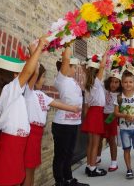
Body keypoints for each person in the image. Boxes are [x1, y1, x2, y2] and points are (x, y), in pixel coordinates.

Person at [0, 37, 48, 186]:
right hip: (11, 144)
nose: (20, 76)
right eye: (17, 73)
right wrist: (39, 48)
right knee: (8, 180)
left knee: (15, 179)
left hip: (18, 143)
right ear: (7, 76)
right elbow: (28, 72)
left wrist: (33, 52)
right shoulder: (9, 91)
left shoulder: (16, 93)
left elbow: (33, 73)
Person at [22, 64, 82, 186]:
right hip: (30, 133)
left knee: (32, 167)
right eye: (42, 76)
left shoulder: (41, 95)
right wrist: (36, 56)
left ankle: (67, 179)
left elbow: (57, 104)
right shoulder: (28, 93)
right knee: (28, 168)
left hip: (37, 134)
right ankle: (59, 181)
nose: (44, 80)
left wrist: (73, 109)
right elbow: (33, 73)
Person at [52, 47, 88, 186]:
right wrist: (68, 40)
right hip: (62, 124)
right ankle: (59, 181)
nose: (75, 70)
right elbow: (66, 59)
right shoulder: (60, 80)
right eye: (73, 67)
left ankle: (68, 179)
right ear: (66, 67)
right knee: (60, 154)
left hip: (73, 123)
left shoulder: (72, 81)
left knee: (69, 154)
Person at [114, 70, 134, 179]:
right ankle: (129, 169)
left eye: (130, 82)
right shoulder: (119, 98)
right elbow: (116, 113)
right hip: (124, 129)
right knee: (126, 149)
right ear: (122, 83)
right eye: (125, 82)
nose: (128, 84)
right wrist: (125, 116)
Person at [82, 52, 109, 177]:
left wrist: (86, 119)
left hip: (91, 114)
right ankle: (93, 168)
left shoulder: (87, 85)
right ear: (97, 72)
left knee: (90, 143)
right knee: (95, 144)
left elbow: (86, 107)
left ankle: (89, 165)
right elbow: (103, 66)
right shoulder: (97, 82)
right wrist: (106, 53)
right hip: (97, 113)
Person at [96, 68, 122, 172]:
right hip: (101, 116)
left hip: (112, 117)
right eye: (112, 81)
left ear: (119, 84)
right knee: (98, 139)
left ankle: (114, 163)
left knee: (111, 140)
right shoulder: (103, 88)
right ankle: (97, 157)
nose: (113, 84)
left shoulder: (120, 95)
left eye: (116, 82)